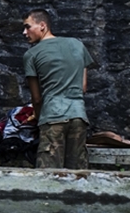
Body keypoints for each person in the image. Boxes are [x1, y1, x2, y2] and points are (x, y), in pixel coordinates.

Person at [21, 9, 95, 169]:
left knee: (49, 176)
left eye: (28, 27)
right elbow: (83, 87)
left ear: (42, 25)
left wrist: (39, 118)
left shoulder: (32, 54)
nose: (24, 32)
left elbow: (37, 98)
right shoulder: (77, 45)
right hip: (78, 116)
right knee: (78, 174)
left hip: (52, 117)